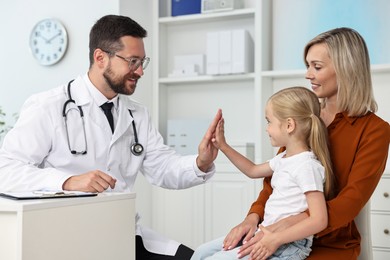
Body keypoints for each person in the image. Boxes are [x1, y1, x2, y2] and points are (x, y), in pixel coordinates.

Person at [0, 15, 222, 260]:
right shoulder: (48, 107)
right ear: (100, 58)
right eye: (132, 61)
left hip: (122, 233)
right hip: (65, 238)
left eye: (142, 62)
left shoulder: (137, 114)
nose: (139, 71)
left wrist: (200, 162)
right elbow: (5, 171)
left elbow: (162, 167)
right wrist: (68, 182)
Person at [207, 27, 390, 260]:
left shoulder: (374, 130)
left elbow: (351, 200)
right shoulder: (305, 117)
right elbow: (276, 181)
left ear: (346, 68)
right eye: (307, 66)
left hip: (328, 246)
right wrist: (252, 218)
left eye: (317, 66)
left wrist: (287, 226)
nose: (308, 75)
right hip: (274, 235)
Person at [192, 87, 335, 260]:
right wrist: (223, 146)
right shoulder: (284, 158)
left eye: (269, 122)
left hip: (289, 244)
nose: (267, 129)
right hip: (266, 232)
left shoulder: (307, 166)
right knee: (201, 253)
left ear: (289, 125)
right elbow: (252, 170)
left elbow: (319, 220)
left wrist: (276, 239)